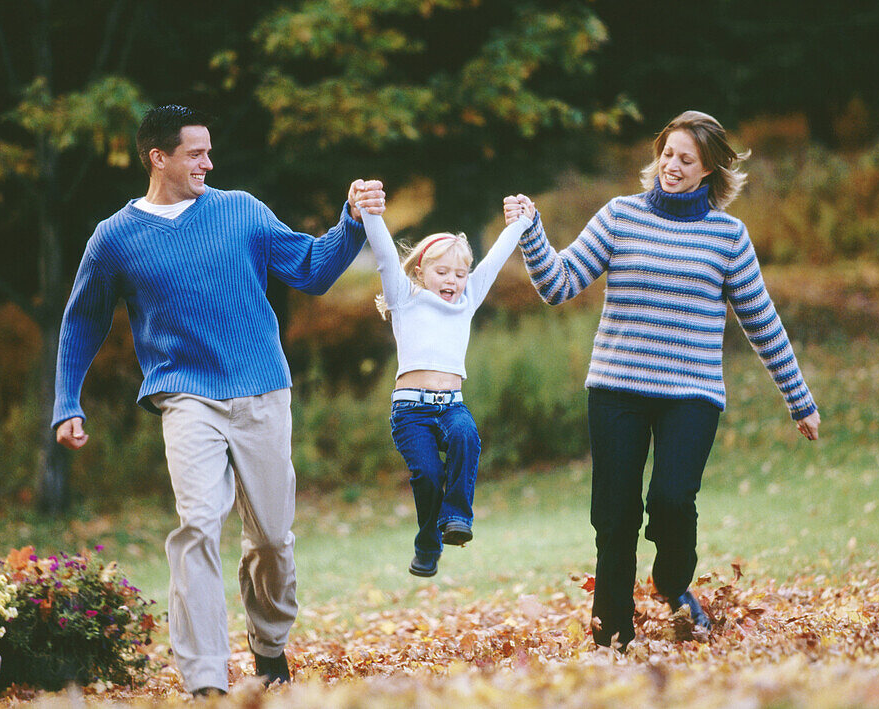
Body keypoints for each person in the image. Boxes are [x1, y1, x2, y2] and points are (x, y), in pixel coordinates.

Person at [52, 104, 386, 694]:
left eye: (209, 151)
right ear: (159, 157)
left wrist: (351, 220)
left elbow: (309, 269)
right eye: (196, 153)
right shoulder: (115, 238)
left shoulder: (241, 211)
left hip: (262, 387)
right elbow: (83, 321)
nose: (210, 162)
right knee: (198, 524)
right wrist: (66, 401)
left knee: (273, 540)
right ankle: (204, 679)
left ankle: (270, 644)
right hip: (185, 397)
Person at [504, 110, 820, 651]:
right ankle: (613, 637)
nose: (671, 166)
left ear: (709, 170)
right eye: (667, 154)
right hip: (616, 389)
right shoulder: (620, 217)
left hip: (691, 396)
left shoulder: (728, 237)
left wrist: (799, 400)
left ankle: (672, 582)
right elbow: (558, 284)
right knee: (614, 514)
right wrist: (532, 232)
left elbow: (761, 322)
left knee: (673, 500)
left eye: (686, 159)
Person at [361, 200, 535, 578]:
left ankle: (456, 517)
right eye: (442, 272)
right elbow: (386, 256)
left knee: (466, 435)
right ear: (421, 271)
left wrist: (520, 224)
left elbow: (494, 259)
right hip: (411, 412)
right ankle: (427, 544)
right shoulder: (404, 297)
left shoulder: (467, 299)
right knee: (426, 474)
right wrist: (370, 212)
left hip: (452, 405)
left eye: (460, 274)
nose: (453, 281)